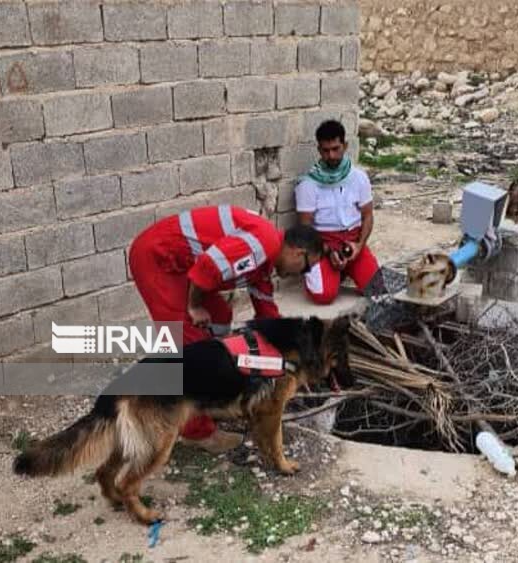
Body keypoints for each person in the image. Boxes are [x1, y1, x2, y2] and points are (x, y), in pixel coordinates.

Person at [129, 204, 324, 453]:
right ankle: (197, 432)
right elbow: (206, 268)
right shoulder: (261, 245)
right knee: (186, 341)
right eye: (307, 268)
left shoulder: (264, 263)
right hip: (159, 258)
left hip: (184, 264)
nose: (303, 274)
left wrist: (289, 352)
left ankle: (212, 398)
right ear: (298, 253)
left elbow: (266, 311)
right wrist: (194, 306)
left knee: (221, 315)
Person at [295, 120, 380, 305]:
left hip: (353, 240)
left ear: (345, 146)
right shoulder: (308, 185)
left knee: (377, 291)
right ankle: (327, 271)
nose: (331, 155)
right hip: (324, 242)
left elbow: (367, 216)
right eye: (326, 150)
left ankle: (347, 268)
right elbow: (305, 230)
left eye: (336, 148)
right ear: (319, 150)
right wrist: (328, 251)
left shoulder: (359, 177)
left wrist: (359, 246)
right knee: (323, 296)